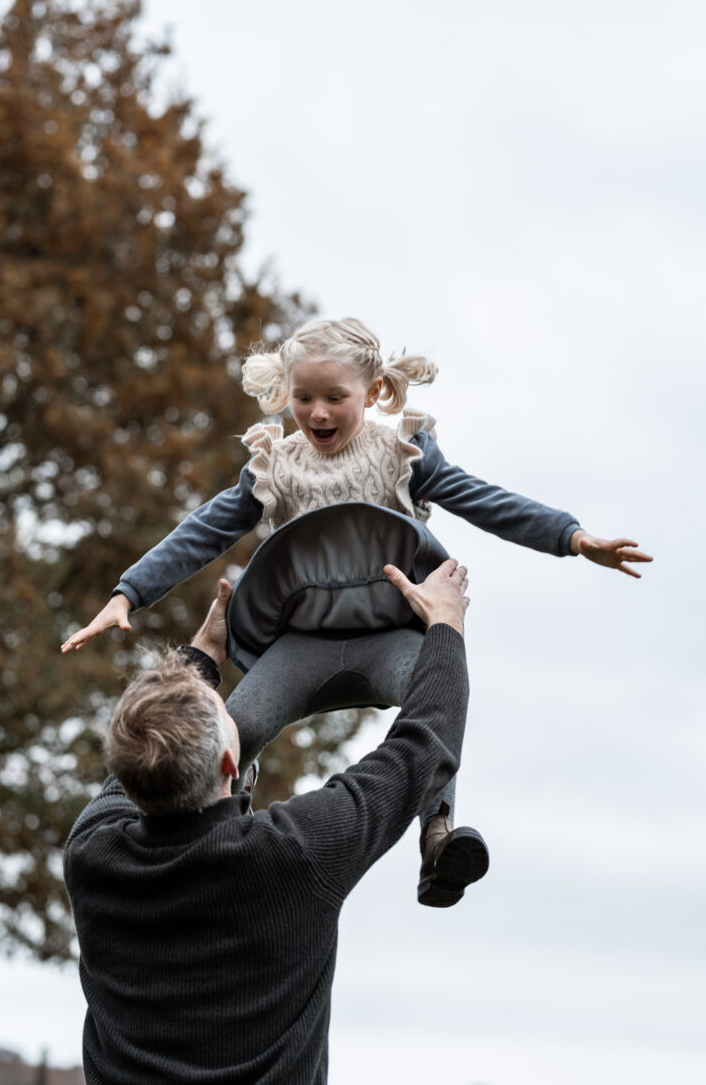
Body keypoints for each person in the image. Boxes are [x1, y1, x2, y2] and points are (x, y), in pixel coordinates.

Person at [61, 317, 652, 906]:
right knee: (234, 730)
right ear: (286, 394)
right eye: (303, 398)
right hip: (303, 646)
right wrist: (127, 594)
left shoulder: (403, 455)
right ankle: (216, 847)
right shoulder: (275, 465)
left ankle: (438, 836)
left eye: (335, 398)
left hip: (387, 636)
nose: (317, 413)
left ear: (371, 395)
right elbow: (202, 531)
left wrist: (572, 538)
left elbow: (487, 501)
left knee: (437, 690)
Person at [64, 559, 473, 1085]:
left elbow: (137, 757)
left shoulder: (91, 854)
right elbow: (425, 742)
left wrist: (201, 655)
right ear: (230, 763)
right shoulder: (293, 855)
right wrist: (445, 621)